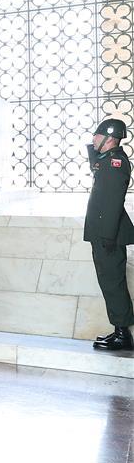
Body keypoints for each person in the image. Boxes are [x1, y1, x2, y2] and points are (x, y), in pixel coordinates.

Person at [85, 118, 134, 351]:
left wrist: (106, 236)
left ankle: (123, 334)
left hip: (109, 235)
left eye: (97, 136)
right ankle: (119, 330)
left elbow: (113, 202)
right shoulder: (106, 160)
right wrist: (92, 149)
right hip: (104, 233)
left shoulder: (116, 162)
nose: (93, 139)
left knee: (113, 282)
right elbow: (96, 166)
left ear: (110, 138)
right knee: (109, 281)